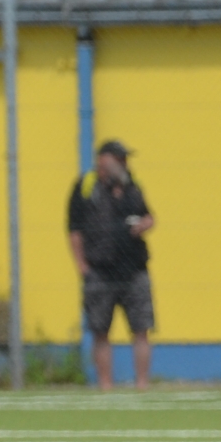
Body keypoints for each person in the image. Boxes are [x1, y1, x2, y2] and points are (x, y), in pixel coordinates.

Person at [67, 140, 155, 390]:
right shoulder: (86, 188)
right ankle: (105, 385)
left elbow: (148, 215)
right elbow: (74, 229)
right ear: (103, 161)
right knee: (100, 330)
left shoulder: (132, 187)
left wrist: (144, 225)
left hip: (134, 270)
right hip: (100, 271)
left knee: (141, 329)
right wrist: (82, 265)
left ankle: (142, 384)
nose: (124, 164)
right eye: (119, 159)